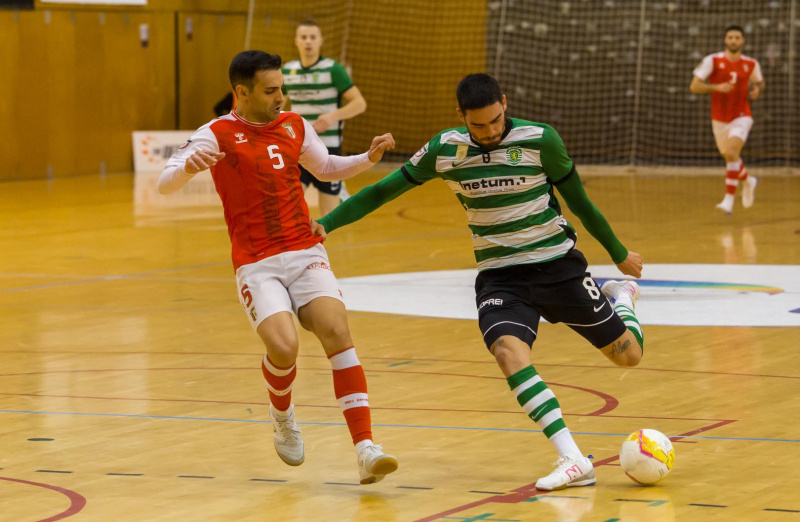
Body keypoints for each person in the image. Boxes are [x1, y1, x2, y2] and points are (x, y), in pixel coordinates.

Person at [316, 73, 645, 491]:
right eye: (478, 125)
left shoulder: (540, 140)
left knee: (628, 357)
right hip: (500, 278)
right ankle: (574, 459)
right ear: (460, 116)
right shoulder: (445, 149)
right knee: (507, 351)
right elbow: (382, 191)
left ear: (505, 104)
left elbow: (580, 202)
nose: (489, 132)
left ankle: (622, 299)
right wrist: (327, 223)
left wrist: (618, 253)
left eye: (495, 121)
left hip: (558, 267)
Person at [158, 50, 398, 485]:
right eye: (271, 91)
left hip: (304, 250)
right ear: (242, 92)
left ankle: (366, 449)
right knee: (285, 348)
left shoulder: (294, 125)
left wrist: (367, 157)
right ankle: (282, 414)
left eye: (281, 88)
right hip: (257, 262)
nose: (280, 97)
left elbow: (326, 168)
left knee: (338, 332)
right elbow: (164, 183)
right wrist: (186, 169)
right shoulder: (217, 133)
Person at [281, 20, 367, 215]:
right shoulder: (287, 71)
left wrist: (331, 117)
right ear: (296, 41)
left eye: (312, 37)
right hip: (298, 148)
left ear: (320, 41)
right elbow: (276, 105)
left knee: (329, 213)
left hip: (328, 149)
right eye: (304, 37)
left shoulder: (333, 69)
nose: (308, 41)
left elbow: (359, 103)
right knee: (289, 207)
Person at [690, 25, 765, 215]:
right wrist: (716, 87)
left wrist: (757, 89)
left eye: (737, 37)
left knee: (732, 152)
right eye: (730, 37)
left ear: (743, 41)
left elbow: (759, 82)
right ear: (725, 40)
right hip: (719, 119)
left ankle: (728, 200)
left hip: (741, 116)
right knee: (730, 156)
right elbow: (694, 86)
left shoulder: (751, 63)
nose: (733, 40)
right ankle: (748, 180)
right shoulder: (713, 60)